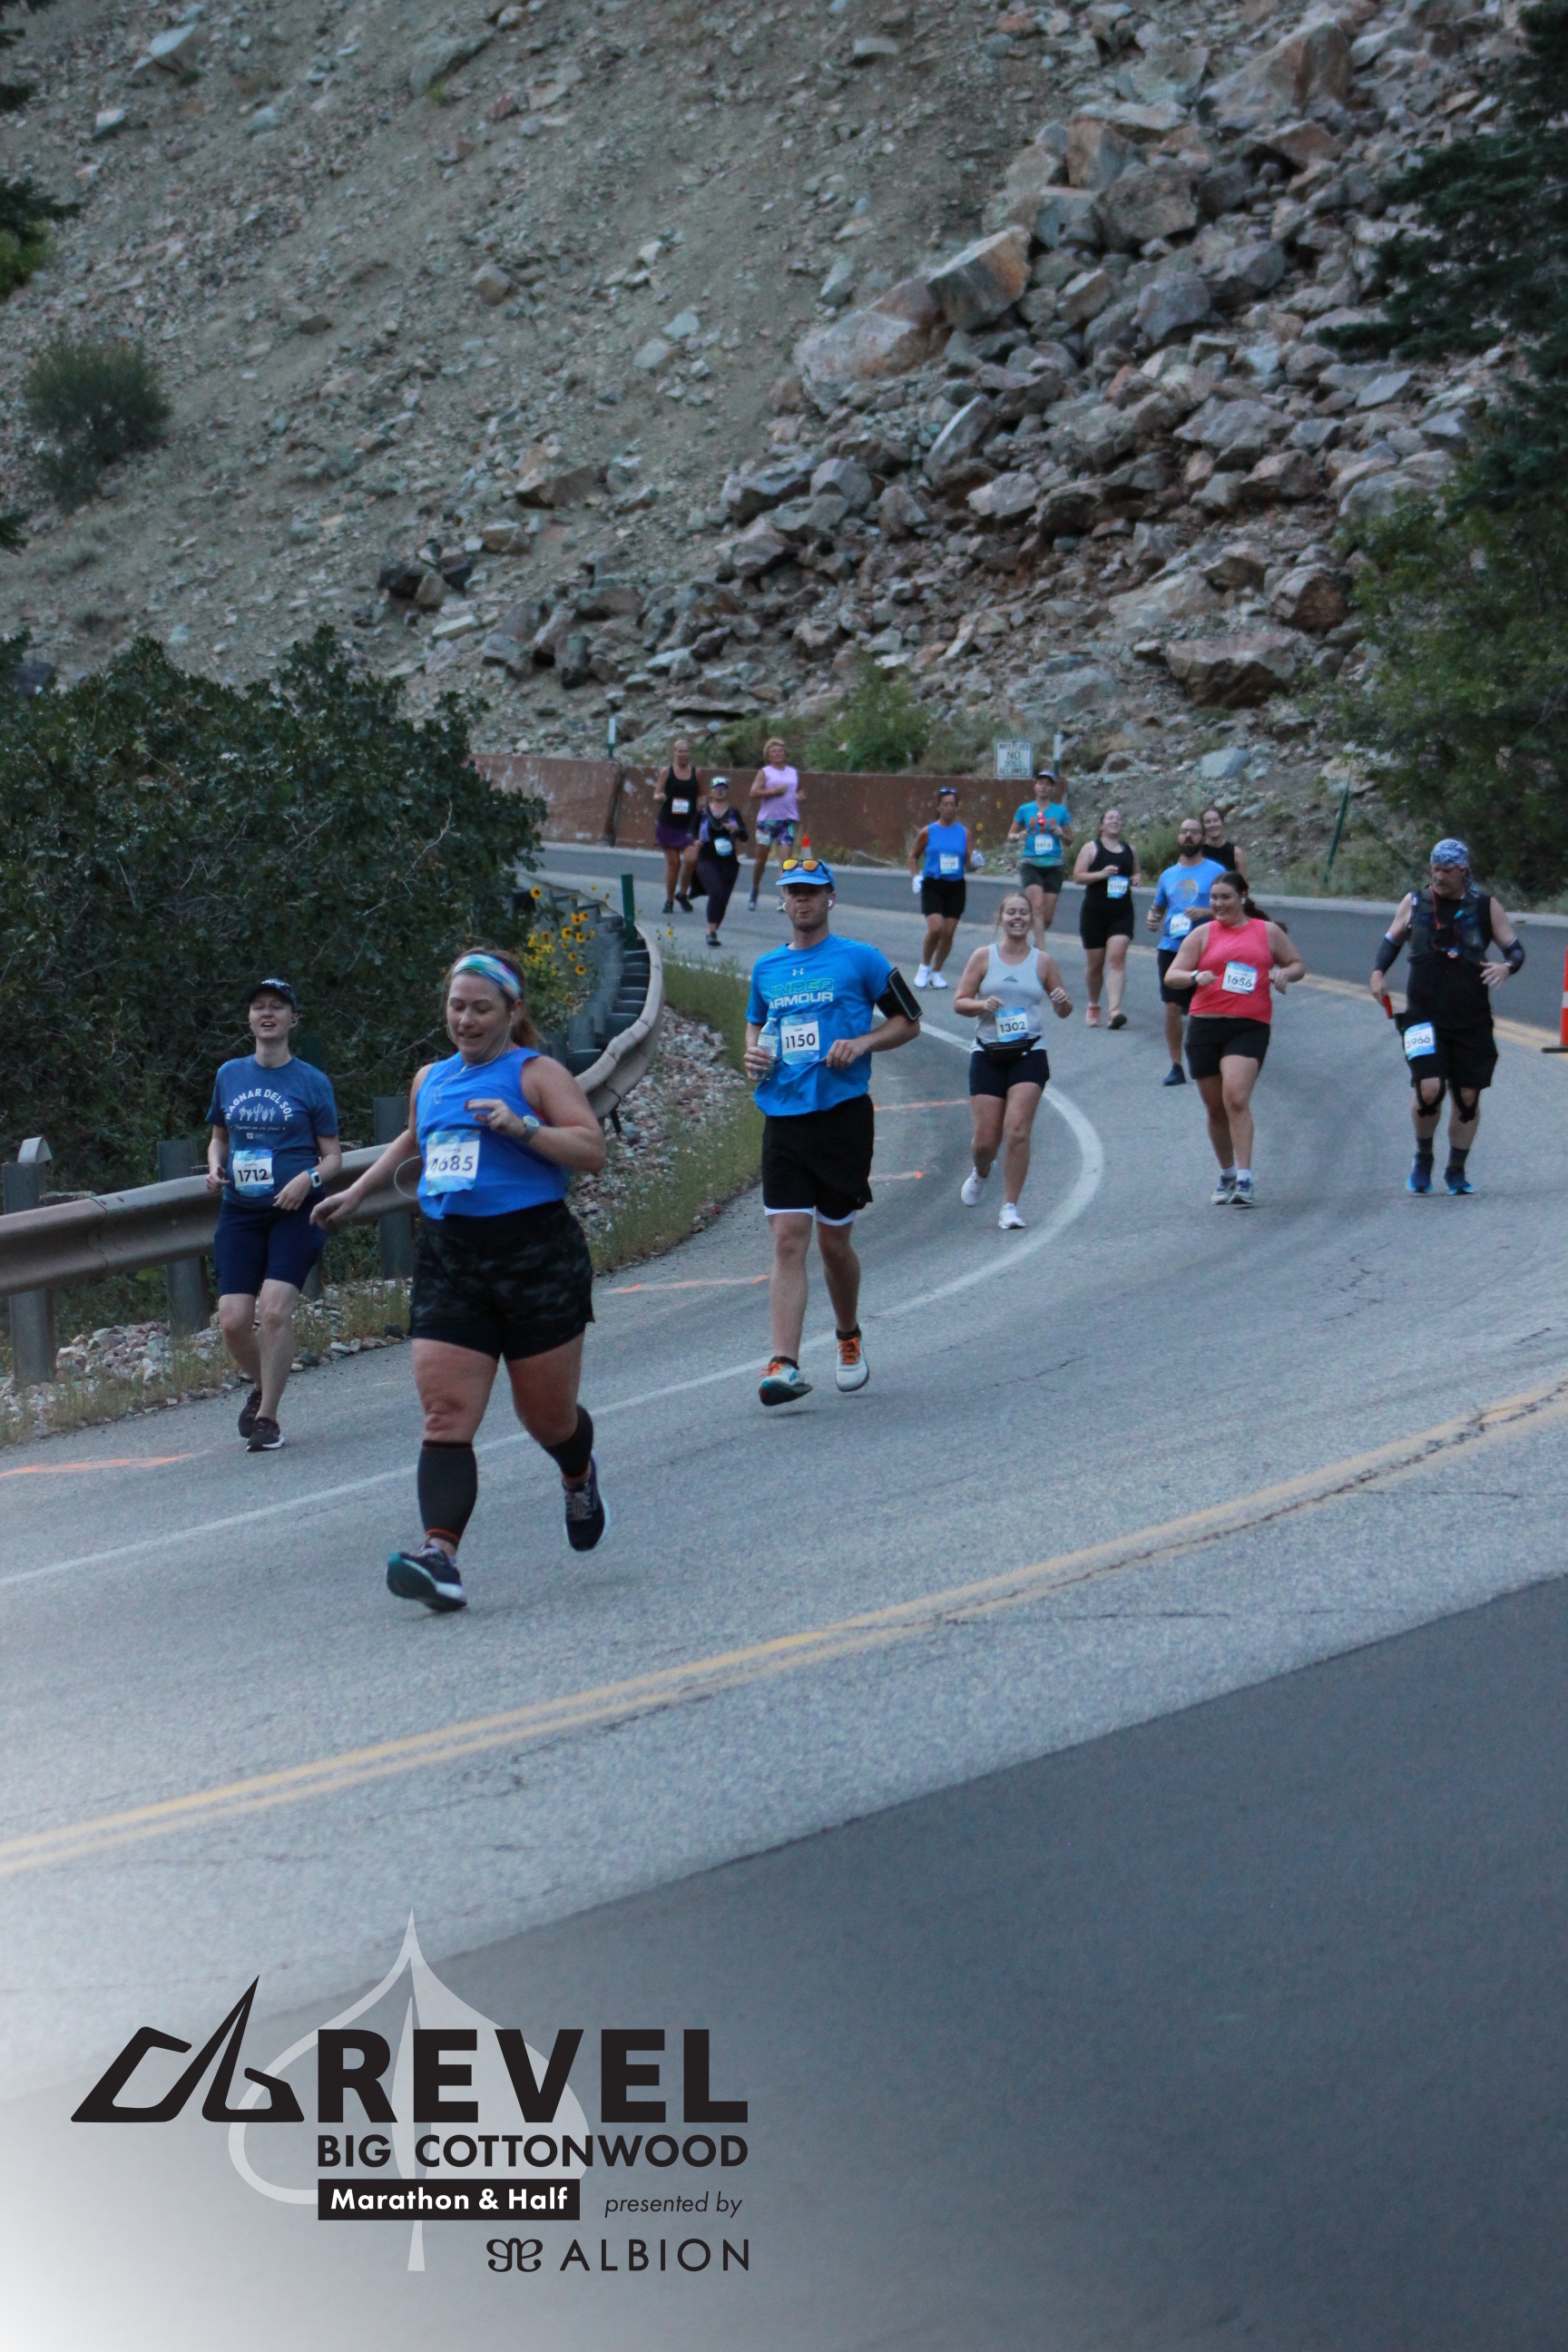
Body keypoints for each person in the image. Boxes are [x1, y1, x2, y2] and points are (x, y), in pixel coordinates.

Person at [312, 947, 607, 1614]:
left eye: (480, 1008)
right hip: (451, 1258)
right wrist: (356, 1194)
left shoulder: (536, 1073)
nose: (466, 1020)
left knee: (548, 1418)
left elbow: (591, 1150)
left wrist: (523, 1128)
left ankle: (578, 1474)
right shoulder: (431, 1078)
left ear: (512, 1011)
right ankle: (439, 1557)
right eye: (456, 1007)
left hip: (536, 1256)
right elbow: (414, 1138)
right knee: (446, 1414)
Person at [743, 855, 921, 1405]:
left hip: (842, 1117)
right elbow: (757, 1023)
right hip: (784, 1117)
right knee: (787, 1237)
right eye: (793, 892)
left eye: (812, 891)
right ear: (783, 901)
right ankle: (784, 1364)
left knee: (834, 1241)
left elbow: (909, 1021)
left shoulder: (860, 959)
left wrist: (863, 1043)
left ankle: (848, 1336)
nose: (802, 900)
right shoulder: (766, 968)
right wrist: (753, 1055)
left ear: (830, 898)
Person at [206, 979, 342, 1454]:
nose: (267, 1014)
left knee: (274, 1310)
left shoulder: (311, 1081)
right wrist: (214, 1166)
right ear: (249, 1019)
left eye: (278, 1007)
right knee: (232, 1321)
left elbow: (333, 1158)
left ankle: (267, 1420)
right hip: (241, 1211)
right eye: (259, 1007)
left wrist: (308, 1179)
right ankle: (266, 1382)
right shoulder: (230, 1074)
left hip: (295, 1212)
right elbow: (219, 1138)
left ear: (292, 1019)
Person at [1369, 838, 1524, 1195]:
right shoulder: (1415, 902)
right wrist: (1378, 973)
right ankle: (1423, 1157)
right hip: (1422, 1015)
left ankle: (1456, 1169)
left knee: (1467, 1097)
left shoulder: (1485, 906)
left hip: (1471, 1017)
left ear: (1463, 870)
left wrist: (1506, 967)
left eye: (1446, 870)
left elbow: (1515, 950)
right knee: (1429, 1090)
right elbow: (1391, 941)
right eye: (1434, 869)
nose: (1438, 876)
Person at [1161, 873, 1305, 1206]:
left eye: (1225, 897)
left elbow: (1297, 964)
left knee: (1236, 1098)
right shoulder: (1202, 934)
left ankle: (1244, 1177)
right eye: (1214, 898)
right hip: (1204, 1027)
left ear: (1242, 896)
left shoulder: (1266, 932)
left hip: (1248, 1027)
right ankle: (1226, 1173)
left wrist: (1284, 973)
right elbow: (1172, 975)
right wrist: (1195, 975)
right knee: (1215, 1109)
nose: (1218, 904)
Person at [953, 891, 1073, 1230]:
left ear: (1031, 920)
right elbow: (959, 1002)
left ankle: (1009, 1207)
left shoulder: (1043, 962)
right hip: (988, 1052)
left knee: (1018, 1130)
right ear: (1001, 918)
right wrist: (982, 1005)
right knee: (985, 1142)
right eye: (1011, 913)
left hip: (1029, 1051)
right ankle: (981, 1170)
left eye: (1023, 913)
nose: (1018, 918)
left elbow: (1064, 1010)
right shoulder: (983, 957)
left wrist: (1062, 1001)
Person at [1146, 818, 1227, 1085]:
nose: (1188, 836)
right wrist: (1152, 918)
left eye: (1194, 832)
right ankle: (1176, 1066)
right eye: (1183, 832)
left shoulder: (1216, 871)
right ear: (1178, 838)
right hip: (1172, 947)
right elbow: (1159, 907)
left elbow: (1235, 905)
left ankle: (1214, 1061)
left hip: (1208, 947)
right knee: (1172, 1006)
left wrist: (1205, 912)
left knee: (1207, 1007)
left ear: (1203, 838)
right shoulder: (1168, 875)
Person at [1073, 807, 1142, 1029]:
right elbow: (1077, 877)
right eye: (1110, 818)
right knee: (1095, 966)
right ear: (1101, 825)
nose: (1115, 821)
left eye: (1118, 818)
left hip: (1122, 912)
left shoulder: (1130, 850)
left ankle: (1114, 1011)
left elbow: (1136, 872)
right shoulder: (1091, 848)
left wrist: (1136, 878)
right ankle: (1094, 1004)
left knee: (1117, 959)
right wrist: (1101, 874)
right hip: (1094, 913)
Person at [908, 785, 980, 989]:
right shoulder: (928, 832)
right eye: (945, 804)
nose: (948, 808)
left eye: (952, 805)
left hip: (956, 886)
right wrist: (916, 876)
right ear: (938, 807)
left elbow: (968, 863)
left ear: (957, 807)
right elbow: (913, 856)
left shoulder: (964, 832)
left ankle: (936, 971)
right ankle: (923, 967)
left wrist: (975, 864)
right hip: (933, 884)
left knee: (948, 933)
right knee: (936, 928)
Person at [1005, 766, 1073, 943]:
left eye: (1048, 784)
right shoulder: (1024, 809)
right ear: (1035, 787)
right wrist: (1018, 836)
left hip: (1054, 865)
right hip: (1031, 863)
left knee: (1046, 918)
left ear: (1052, 789)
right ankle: (1040, 951)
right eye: (1040, 783)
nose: (1043, 787)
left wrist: (1062, 834)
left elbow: (1070, 840)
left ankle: (1028, 941)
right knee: (1037, 905)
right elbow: (1010, 835)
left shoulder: (1060, 811)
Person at [691, 774, 750, 947]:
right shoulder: (703, 813)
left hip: (729, 862)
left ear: (727, 791)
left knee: (723, 897)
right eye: (716, 788)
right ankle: (711, 932)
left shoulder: (733, 813)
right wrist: (695, 840)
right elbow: (690, 831)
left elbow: (745, 836)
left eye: (723, 788)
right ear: (710, 792)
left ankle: (713, 929)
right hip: (707, 858)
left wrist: (736, 828)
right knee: (716, 891)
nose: (720, 791)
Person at [747, 736, 800, 911]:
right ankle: (755, 889)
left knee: (786, 861)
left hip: (788, 820)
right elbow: (753, 793)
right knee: (761, 860)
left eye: (780, 751)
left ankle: (783, 897)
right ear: (768, 756)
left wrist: (797, 796)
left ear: (785, 754)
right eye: (773, 752)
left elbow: (791, 792)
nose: (777, 754)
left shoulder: (792, 772)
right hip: (767, 821)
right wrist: (773, 791)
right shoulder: (765, 772)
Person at [655, 737, 702, 914]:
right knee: (674, 864)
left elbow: (702, 794)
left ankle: (682, 894)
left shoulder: (697, 773)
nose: (683, 754)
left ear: (690, 753)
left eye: (685, 751)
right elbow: (656, 793)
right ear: (674, 753)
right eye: (679, 751)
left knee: (691, 859)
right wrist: (659, 798)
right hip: (668, 823)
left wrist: (703, 803)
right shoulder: (666, 772)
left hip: (689, 824)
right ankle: (669, 900)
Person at [1200, 805, 1249, 885]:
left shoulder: (1236, 853)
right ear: (1202, 826)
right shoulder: (1197, 852)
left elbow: (1243, 886)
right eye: (1208, 822)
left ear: (1222, 822)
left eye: (1215, 820)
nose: (1212, 825)